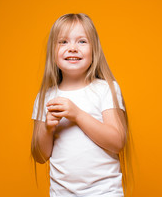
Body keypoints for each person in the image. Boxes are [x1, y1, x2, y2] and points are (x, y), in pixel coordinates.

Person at [31, 13, 132, 197]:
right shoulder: (45, 96)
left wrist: (77, 115)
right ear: (52, 52)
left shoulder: (105, 89)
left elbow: (117, 142)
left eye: (82, 41)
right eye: (63, 42)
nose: (72, 48)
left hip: (104, 193)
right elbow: (40, 156)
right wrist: (47, 129)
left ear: (94, 51)